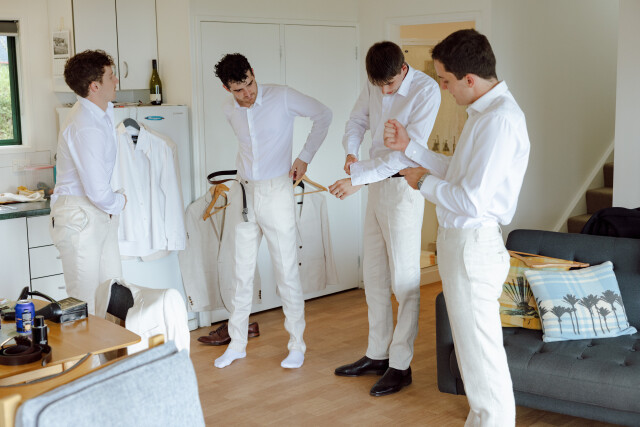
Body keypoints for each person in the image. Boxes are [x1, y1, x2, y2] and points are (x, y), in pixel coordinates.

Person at [384, 29, 530, 425]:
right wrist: (410, 149)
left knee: (482, 361)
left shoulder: (499, 121)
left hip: (472, 248)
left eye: (445, 80)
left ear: (469, 79)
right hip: (463, 246)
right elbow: (459, 173)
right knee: (473, 359)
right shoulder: (484, 115)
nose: (444, 89)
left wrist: (422, 184)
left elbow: (470, 201)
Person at [330, 41, 441, 396]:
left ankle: (400, 365)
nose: (384, 92)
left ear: (403, 69)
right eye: (378, 86)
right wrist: (351, 153)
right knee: (374, 275)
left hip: (403, 188)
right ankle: (377, 354)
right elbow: (357, 120)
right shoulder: (376, 82)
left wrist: (358, 178)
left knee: (404, 280)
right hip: (374, 185)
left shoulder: (426, 91)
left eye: (390, 85)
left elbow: (407, 154)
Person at [212, 53, 332, 369]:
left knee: (286, 272)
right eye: (238, 90)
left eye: (249, 84)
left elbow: (323, 114)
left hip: (277, 192)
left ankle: (297, 345)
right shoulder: (229, 109)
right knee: (240, 273)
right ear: (227, 89)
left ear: (253, 73)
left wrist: (304, 157)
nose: (247, 94)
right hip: (244, 194)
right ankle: (237, 344)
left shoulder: (282, 96)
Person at [50, 50, 127, 315]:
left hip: (95, 212)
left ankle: (113, 345)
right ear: (95, 86)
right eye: (111, 76)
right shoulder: (86, 125)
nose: (116, 80)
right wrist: (121, 201)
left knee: (112, 296)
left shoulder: (100, 114)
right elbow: (97, 191)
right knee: (85, 304)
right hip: (80, 216)